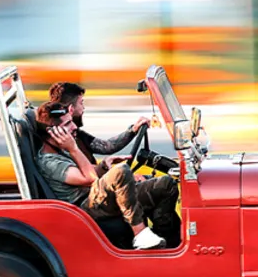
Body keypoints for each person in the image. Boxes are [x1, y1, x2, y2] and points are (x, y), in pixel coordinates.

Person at [34, 101, 180, 250]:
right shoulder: (49, 162)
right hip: (83, 208)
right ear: (53, 132)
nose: (74, 127)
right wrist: (73, 148)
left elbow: (89, 169)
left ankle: (167, 245)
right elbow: (90, 178)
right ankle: (140, 234)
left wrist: (104, 166)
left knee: (165, 184)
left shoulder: (61, 149)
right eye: (67, 124)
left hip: (96, 198)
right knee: (121, 171)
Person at [48, 81, 149, 166]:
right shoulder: (61, 142)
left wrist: (133, 130)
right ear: (71, 108)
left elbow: (107, 146)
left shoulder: (76, 135)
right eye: (81, 103)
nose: (83, 108)